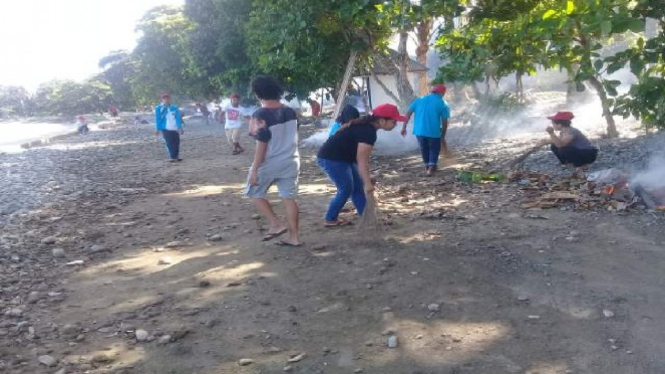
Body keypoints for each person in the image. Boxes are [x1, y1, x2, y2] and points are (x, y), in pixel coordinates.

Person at [317, 104, 406, 226]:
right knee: (346, 188)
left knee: (358, 186)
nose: (396, 124)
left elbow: (361, 160)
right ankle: (330, 218)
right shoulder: (368, 132)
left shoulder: (367, 127)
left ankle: (367, 217)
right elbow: (362, 160)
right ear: (381, 120)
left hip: (344, 157)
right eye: (394, 121)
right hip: (332, 158)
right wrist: (368, 183)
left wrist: (366, 179)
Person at [245, 76, 301, 247]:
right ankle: (294, 237)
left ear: (258, 94)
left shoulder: (260, 114)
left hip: (270, 161)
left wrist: (255, 168)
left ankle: (276, 224)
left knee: (253, 192)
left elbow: (261, 143)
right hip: (291, 160)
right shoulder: (290, 111)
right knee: (288, 198)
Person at [401, 84, 451, 176]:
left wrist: (404, 126)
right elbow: (444, 121)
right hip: (433, 131)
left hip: (419, 131)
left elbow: (408, 113)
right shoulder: (443, 103)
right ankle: (431, 168)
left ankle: (427, 166)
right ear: (442, 93)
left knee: (424, 148)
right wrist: (443, 134)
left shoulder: (419, 100)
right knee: (434, 148)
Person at [154, 93, 184, 162]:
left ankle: (176, 156)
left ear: (170, 99)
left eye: (167, 98)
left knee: (177, 142)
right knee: (169, 142)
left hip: (175, 127)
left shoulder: (174, 108)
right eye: (164, 98)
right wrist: (157, 129)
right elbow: (157, 119)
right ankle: (173, 157)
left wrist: (180, 127)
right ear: (162, 100)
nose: (166, 100)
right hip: (165, 128)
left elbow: (178, 118)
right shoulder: (159, 108)